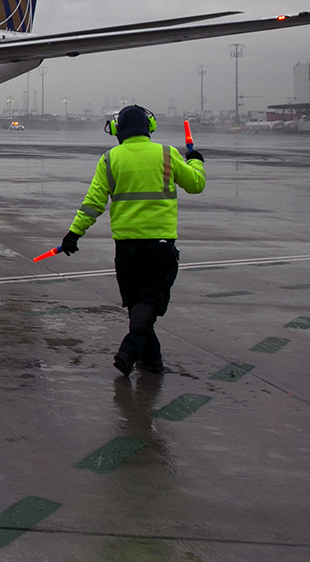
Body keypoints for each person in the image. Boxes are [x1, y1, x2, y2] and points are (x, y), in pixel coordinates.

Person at [59, 105, 206, 376]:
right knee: (149, 301)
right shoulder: (166, 153)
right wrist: (195, 160)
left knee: (137, 303)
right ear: (149, 127)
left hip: (125, 247)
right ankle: (129, 349)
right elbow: (196, 185)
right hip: (160, 244)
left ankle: (151, 362)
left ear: (117, 130)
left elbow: (93, 203)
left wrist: (74, 233)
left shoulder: (110, 158)